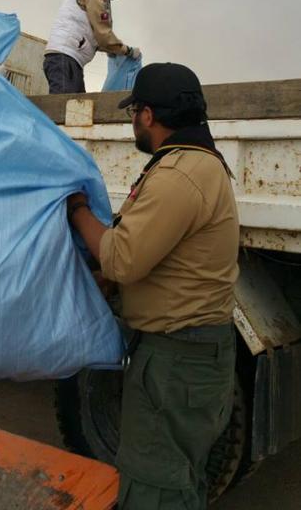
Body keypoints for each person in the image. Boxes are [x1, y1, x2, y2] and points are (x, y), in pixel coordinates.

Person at [67, 62, 240, 510]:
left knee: (153, 489)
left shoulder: (179, 174)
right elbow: (166, 258)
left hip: (176, 362)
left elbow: (122, 257)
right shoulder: (198, 164)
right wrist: (109, 281)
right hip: (189, 356)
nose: (133, 123)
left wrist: (78, 210)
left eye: (134, 113)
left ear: (147, 115)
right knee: (178, 482)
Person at [44, 0, 141, 94]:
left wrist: (113, 50)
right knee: (65, 104)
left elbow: (95, 37)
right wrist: (127, 51)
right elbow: (103, 34)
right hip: (65, 56)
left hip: (70, 58)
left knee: (78, 104)